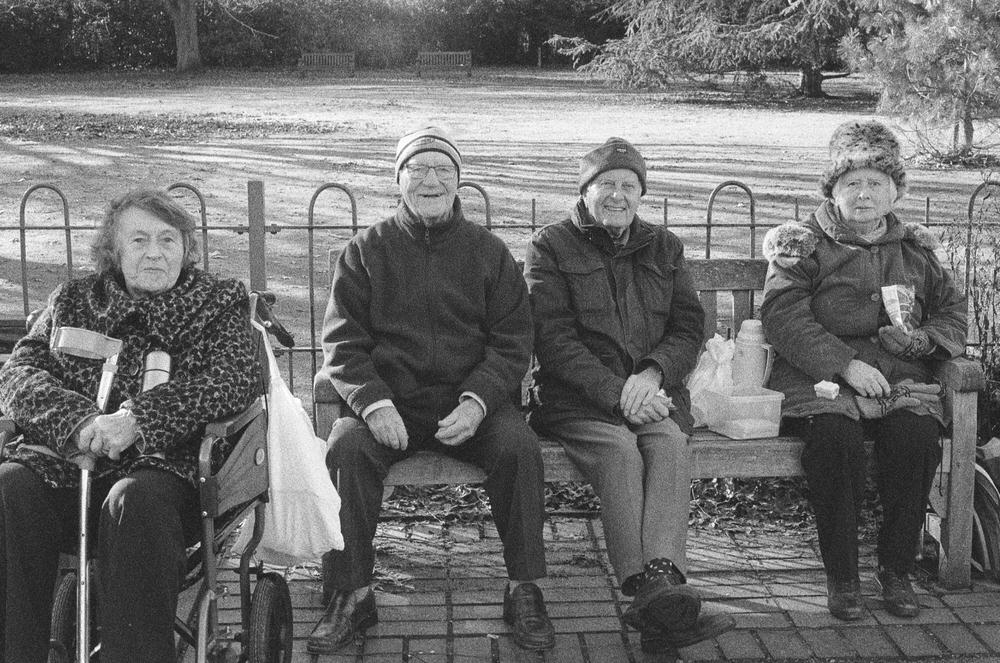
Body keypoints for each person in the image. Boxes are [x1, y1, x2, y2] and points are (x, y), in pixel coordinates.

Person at [311, 126, 554, 653]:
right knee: (346, 448)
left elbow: (513, 342)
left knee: (519, 447)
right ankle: (351, 594)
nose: (431, 180)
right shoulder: (365, 251)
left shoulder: (489, 253)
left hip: (471, 407)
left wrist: (479, 400)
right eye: (418, 169)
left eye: (443, 170)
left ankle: (524, 589)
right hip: (390, 407)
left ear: (459, 181)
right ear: (398, 180)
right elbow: (342, 342)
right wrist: (373, 404)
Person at [0, 189, 260, 663]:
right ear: (114, 252)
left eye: (168, 239)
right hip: (67, 467)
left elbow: (235, 379)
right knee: (8, 489)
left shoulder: (218, 303)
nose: (155, 252)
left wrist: (137, 420)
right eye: (138, 240)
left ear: (187, 248)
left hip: (165, 476)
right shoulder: (73, 300)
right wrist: (77, 422)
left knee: (132, 502)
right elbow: (19, 373)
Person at [524, 137, 735, 655]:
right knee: (619, 450)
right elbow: (552, 339)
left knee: (665, 442)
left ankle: (658, 588)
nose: (617, 195)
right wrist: (619, 391)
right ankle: (656, 597)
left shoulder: (665, 247)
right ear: (586, 190)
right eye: (606, 184)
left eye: (629, 185)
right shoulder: (550, 245)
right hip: (577, 400)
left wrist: (654, 373)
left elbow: (689, 326)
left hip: (653, 394)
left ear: (642, 194)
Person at [760, 120, 967, 621]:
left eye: (877, 182)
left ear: (896, 191)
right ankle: (843, 576)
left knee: (916, 440)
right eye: (852, 182)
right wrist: (844, 363)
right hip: (821, 379)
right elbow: (783, 315)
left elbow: (953, 314)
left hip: (899, 378)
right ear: (832, 188)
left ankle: (896, 570)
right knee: (836, 442)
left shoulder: (916, 250)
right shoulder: (803, 244)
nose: (865, 193)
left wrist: (925, 340)